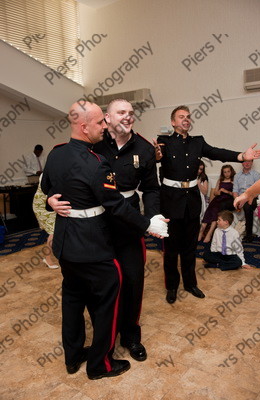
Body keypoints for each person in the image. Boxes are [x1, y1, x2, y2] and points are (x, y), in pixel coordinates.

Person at [41, 101, 168, 380]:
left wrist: (154, 218)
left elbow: (150, 189)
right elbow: (59, 184)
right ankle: (100, 355)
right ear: (107, 119)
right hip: (98, 228)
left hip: (124, 225)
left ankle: (129, 338)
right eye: (120, 113)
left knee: (133, 281)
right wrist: (51, 200)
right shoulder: (95, 146)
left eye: (131, 112)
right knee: (101, 289)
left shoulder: (145, 148)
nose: (128, 117)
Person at [153, 105, 260, 304]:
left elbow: (217, 152)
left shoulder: (198, 142)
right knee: (171, 249)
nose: (186, 120)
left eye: (188, 117)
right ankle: (172, 287)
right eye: (181, 117)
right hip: (171, 201)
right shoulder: (164, 142)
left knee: (189, 247)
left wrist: (241, 156)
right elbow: (155, 157)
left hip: (192, 201)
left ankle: (190, 283)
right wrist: (156, 156)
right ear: (173, 122)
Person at [198, 164, 236, 243]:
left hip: (227, 200)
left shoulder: (234, 180)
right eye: (225, 172)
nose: (227, 174)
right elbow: (215, 192)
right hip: (218, 199)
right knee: (209, 209)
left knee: (215, 210)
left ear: (231, 171)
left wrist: (227, 192)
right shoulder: (220, 180)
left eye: (228, 171)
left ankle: (209, 233)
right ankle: (201, 232)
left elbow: (236, 194)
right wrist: (218, 192)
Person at [32, 174, 59, 269]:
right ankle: (47, 259)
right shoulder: (47, 173)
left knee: (58, 231)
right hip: (43, 207)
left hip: (53, 205)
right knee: (53, 232)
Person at [233, 161, 260, 242]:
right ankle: (222, 231)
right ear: (242, 163)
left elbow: (257, 191)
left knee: (247, 207)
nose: (247, 163)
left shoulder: (256, 175)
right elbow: (235, 191)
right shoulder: (237, 176)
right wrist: (237, 200)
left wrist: (246, 199)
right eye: (245, 162)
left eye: (249, 162)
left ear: (252, 163)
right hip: (240, 197)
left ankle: (248, 235)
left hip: (252, 197)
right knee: (223, 204)